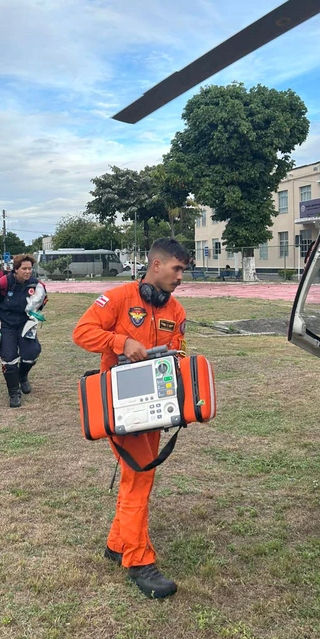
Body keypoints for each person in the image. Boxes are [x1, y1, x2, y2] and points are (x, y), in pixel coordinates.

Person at [73, 238, 189, 599]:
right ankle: (139, 561)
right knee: (138, 478)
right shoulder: (120, 298)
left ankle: (117, 544)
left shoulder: (177, 311)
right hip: (121, 403)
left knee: (136, 475)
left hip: (155, 406)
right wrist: (121, 343)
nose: (181, 277)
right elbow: (82, 333)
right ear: (156, 266)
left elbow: (178, 355)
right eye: (177, 269)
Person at [0, 254, 47, 408]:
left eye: (30, 269)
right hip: (6, 324)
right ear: (16, 269)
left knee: (31, 353)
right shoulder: (4, 283)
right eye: (24, 269)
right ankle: (14, 392)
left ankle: (22, 377)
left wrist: (36, 308)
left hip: (25, 323)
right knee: (9, 357)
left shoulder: (35, 285)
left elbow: (43, 300)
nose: (27, 272)